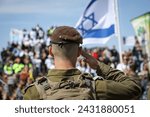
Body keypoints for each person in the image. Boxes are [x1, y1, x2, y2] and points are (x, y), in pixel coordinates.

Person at [23, 26, 141, 100]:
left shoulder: (34, 93)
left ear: (50, 51)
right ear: (79, 52)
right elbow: (134, 88)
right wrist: (98, 66)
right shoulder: (96, 87)